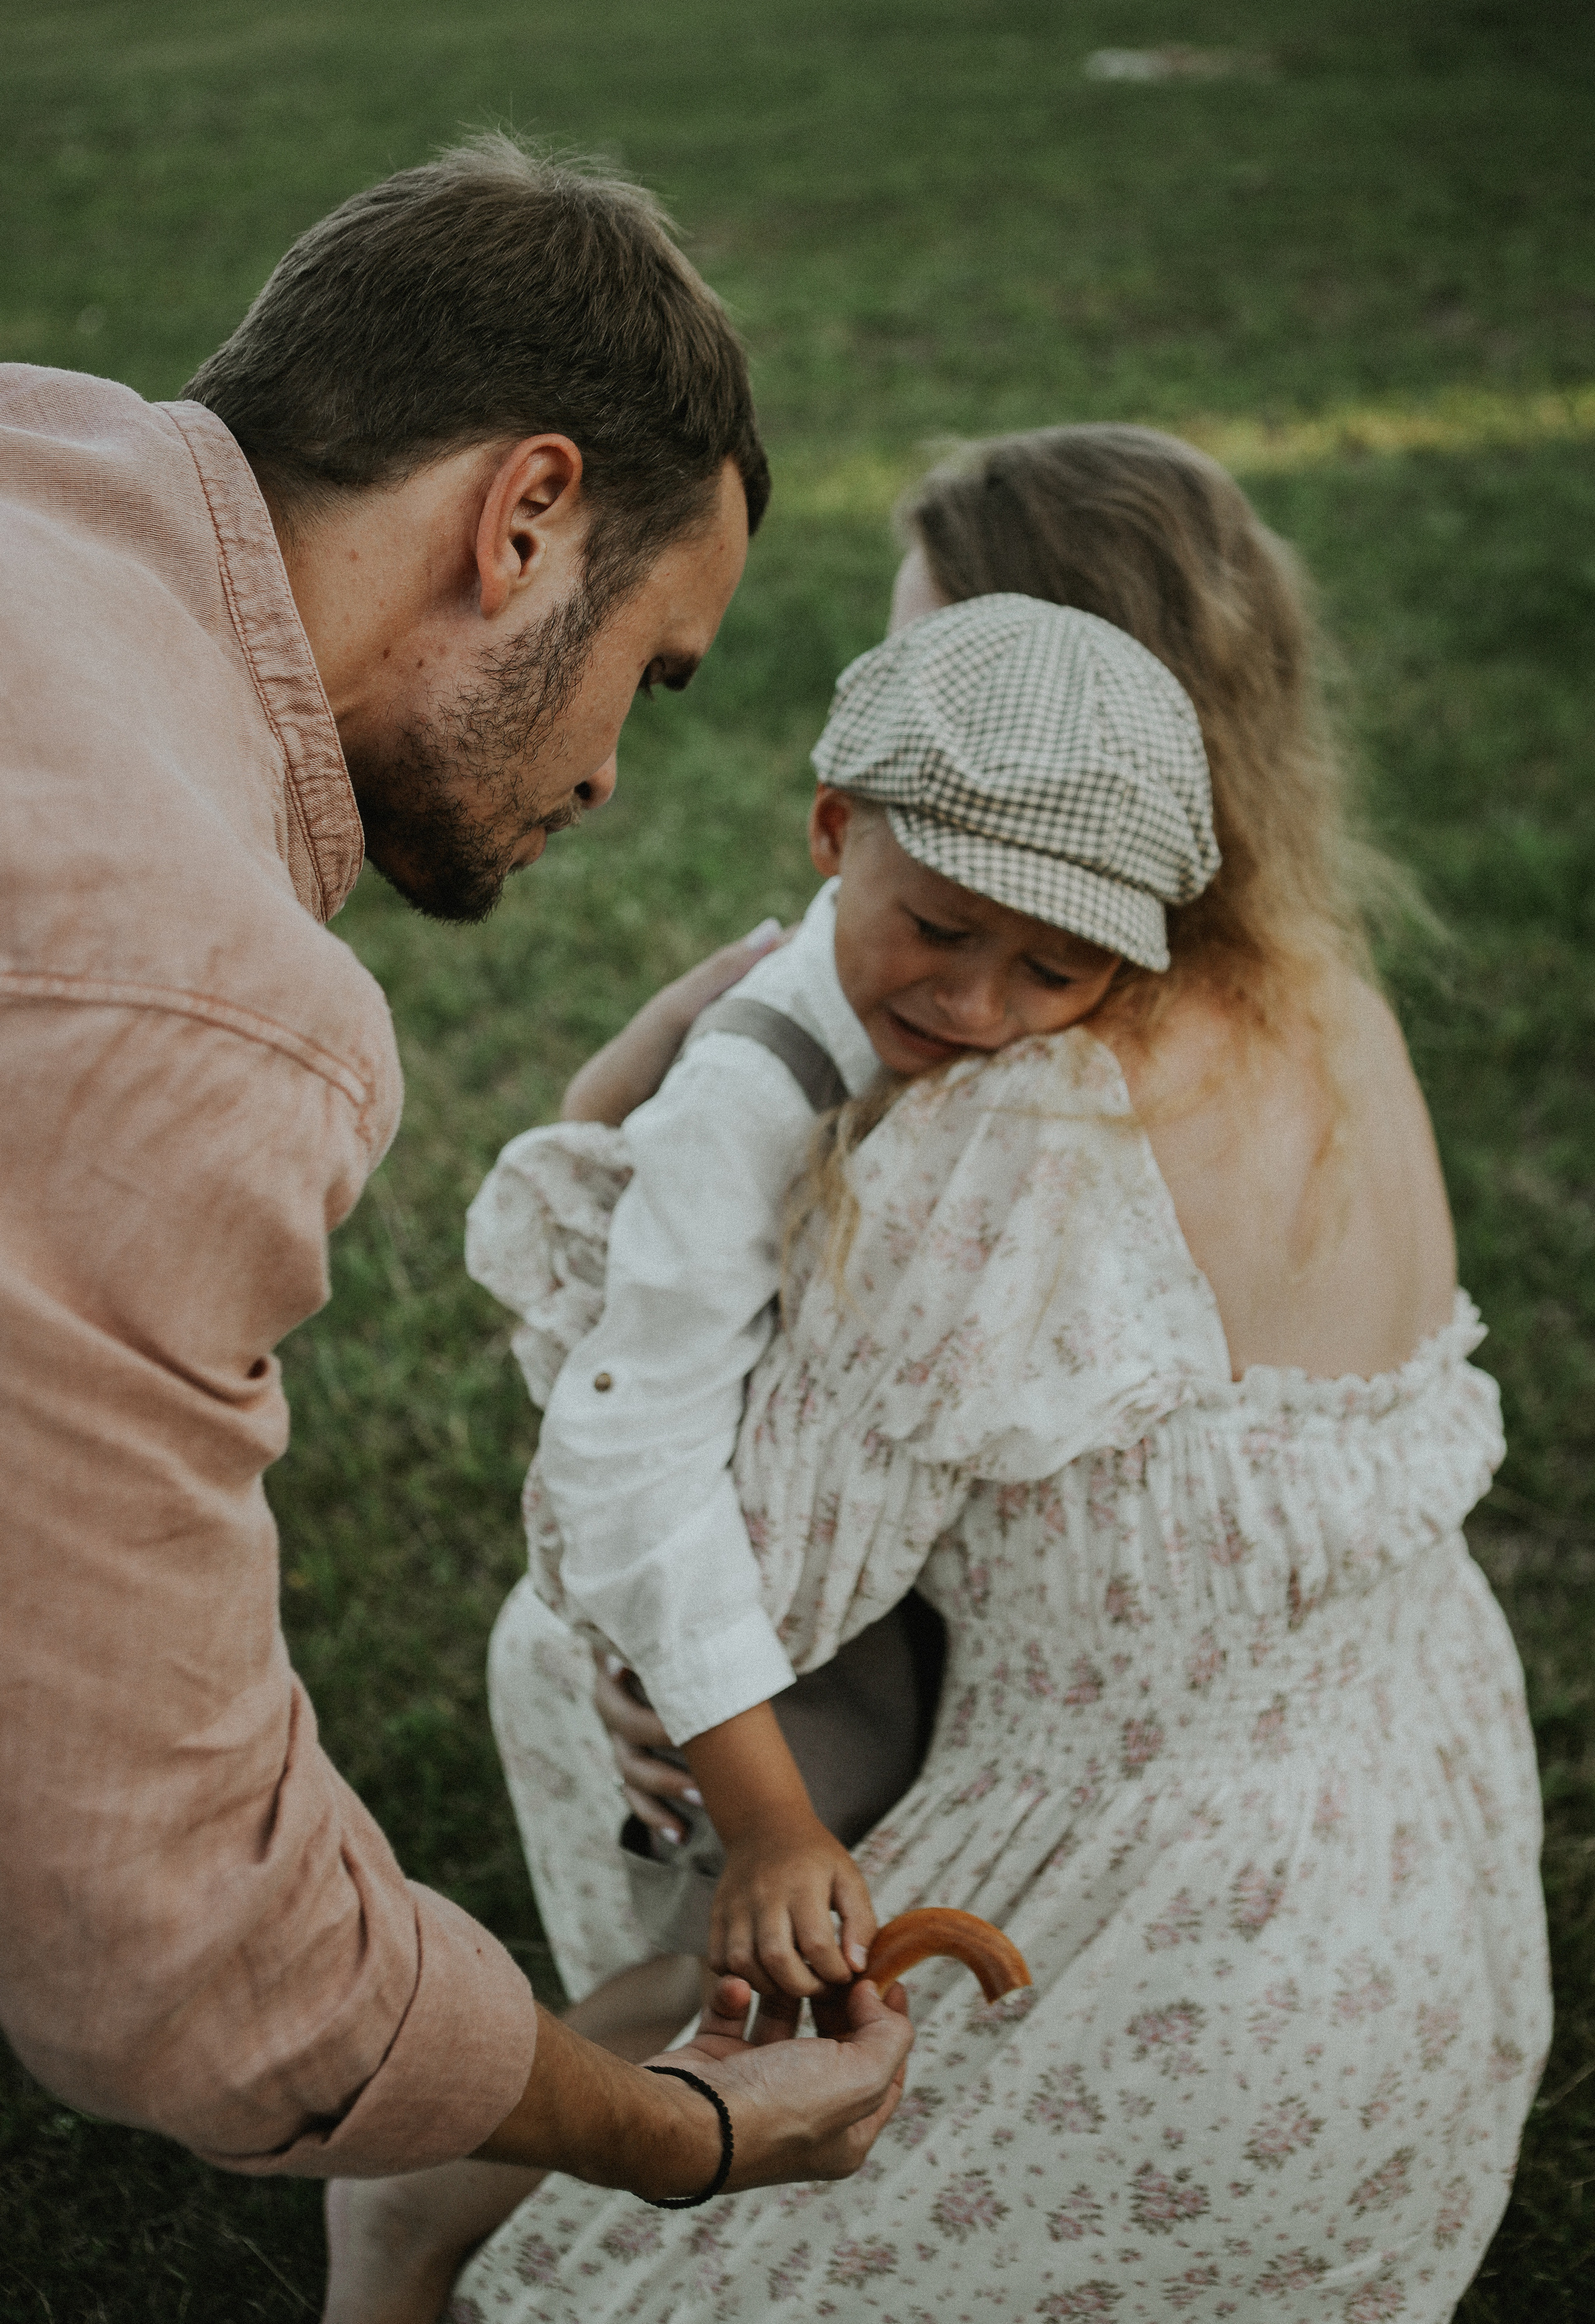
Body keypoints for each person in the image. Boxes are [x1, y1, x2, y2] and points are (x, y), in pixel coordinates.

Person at [446, 425, 1545, 2319]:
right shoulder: (1325, 989)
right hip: (1419, 1928)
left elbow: (709, 1568)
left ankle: (482, 2152)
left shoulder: (1018, 1127)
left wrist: (599, 1113)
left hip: (1159, 1972)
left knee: (566, 1668)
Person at [0, 131, 916, 2250]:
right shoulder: (195, 993)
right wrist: (682, 2128)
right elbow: (178, 1947)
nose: (606, 772)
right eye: (649, 675)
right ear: (525, 519)